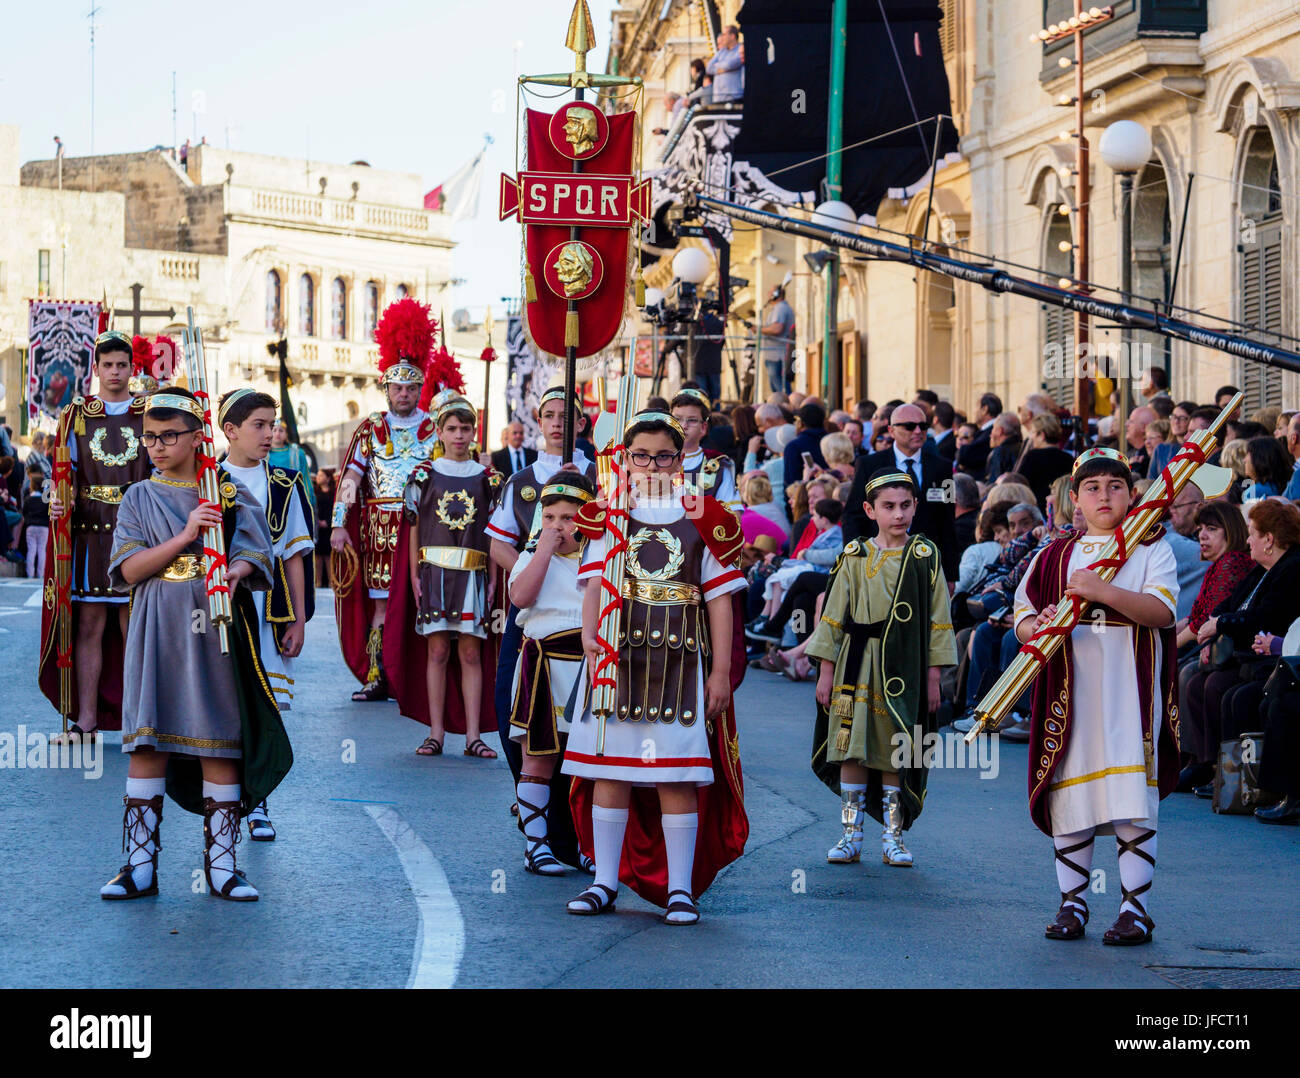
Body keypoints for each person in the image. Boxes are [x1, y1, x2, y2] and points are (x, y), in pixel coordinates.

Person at [100, 387, 288, 902]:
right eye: (150, 438)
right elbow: (129, 570)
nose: (157, 446)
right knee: (147, 741)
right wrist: (185, 537)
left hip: (214, 632)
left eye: (168, 436)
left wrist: (235, 568)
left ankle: (223, 868)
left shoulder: (226, 493)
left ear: (197, 436)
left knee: (219, 741)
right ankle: (139, 868)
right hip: (157, 628)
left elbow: (259, 555)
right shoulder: (139, 496)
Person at [563, 411, 748, 925]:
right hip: (616, 657)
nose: (652, 465)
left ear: (680, 458)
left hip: (681, 661)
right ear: (625, 459)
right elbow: (597, 582)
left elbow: (719, 601)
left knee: (675, 776)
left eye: (663, 455)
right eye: (640, 455)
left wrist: (719, 675)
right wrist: (588, 635)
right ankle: (603, 881)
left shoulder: (704, 517)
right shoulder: (609, 513)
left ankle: (681, 889)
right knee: (609, 771)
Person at [1013, 447, 1179, 945]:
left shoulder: (1152, 548)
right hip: (1072, 689)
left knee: (1131, 798)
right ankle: (1072, 903)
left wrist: (1100, 591)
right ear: (1074, 498)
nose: (1104, 496)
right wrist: (1033, 626)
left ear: (1132, 494)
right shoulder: (1054, 554)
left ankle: (1135, 910)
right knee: (1072, 792)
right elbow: (1022, 616)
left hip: (1128, 690)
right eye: (1092, 488)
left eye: (1115, 486)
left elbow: (1162, 614)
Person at [806, 469, 957, 868]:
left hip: (902, 671)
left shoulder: (925, 557)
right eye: (889, 506)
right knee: (851, 748)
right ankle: (850, 833)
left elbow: (939, 620)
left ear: (916, 507)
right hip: (854, 668)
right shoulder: (855, 556)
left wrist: (933, 675)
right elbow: (834, 616)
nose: (898, 514)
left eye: (906, 505)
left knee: (896, 749)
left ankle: (893, 836)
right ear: (870, 510)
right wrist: (825, 671)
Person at [39, 331, 152, 742]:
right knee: (87, 627)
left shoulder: (148, 414)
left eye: (122, 365)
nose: (116, 372)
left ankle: (137, 721)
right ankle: (85, 721)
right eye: (108, 365)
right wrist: (57, 500)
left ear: (131, 368)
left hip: (134, 534)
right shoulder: (75, 415)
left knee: (133, 628)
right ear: (97, 369)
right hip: (88, 535)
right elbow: (63, 473)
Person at [331, 299, 444, 702]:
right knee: (380, 603)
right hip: (379, 529)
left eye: (412, 386)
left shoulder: (435, 430)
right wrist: (339, 524)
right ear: (386, 388)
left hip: (422, 527)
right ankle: (378, 674)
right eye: (397, 387)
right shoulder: (370, 429)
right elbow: (352, 478)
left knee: (421, 602)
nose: (404, 393)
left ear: (420, 389)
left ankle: (411, 675)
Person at [487, 386, 597, 786]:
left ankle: (580, 808)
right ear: (538, 421)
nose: (557, 423)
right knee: (515, 692)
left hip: (588, 598)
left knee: (588, 708)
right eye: (550, 415)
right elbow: (498, 541)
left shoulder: (600, 476)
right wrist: (532, 569)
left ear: (581, 424)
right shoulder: (521, 480)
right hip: (533, 603)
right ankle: (529, 789)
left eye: (566, 417)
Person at [218, 389, 315, 840]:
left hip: (267, 607)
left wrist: (297, 619)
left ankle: (257, 803)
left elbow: (294, 556)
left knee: (263, 705)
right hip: (221, 606)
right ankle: (222, 798)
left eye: (272, 423)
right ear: (230, 431)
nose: (270, 433)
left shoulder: (285, 484)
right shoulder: (208, 481)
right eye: (259, 424)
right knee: (226, 703)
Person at [384, 395, 499, 759]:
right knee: (436, 651)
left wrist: (494, 578)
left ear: (474, 432)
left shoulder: (489, 479)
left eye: (465, 429)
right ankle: (435, 733)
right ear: (440, 431)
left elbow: (495, 533)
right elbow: (414, 528)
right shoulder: (423, 475)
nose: (459, 435)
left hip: (473, 574)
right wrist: (415, 574)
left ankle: (473, 735)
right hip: (434, 573)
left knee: (469, 654)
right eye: (452, 428)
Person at [507, 474, 597, 874]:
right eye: (549, 517)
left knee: (586, 762)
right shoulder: (532, 555)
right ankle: (536, 846)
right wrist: (542, 551)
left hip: (587, 665)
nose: (558, 526)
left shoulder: (599, 557)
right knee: (538, 759)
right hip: (542, 662)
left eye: (568, 517)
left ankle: (586, 846)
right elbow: (520, 598)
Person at [1180, 499, 1300, 793]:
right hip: (1249, 658)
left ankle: (1241, 781)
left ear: (1269, 540)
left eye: (1252, 533)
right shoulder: (1262, 570)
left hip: (1270, 662)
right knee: (1199, 682)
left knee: (1227, 692)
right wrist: (1215, 625)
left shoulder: (1291, 569)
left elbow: (1266, 616)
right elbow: (1229, 605)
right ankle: (1214, 769)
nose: (1247, 541)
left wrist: (1219, 626)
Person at [843, 402, 958, 581]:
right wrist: (855, 560)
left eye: (923, 426)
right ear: (891, 430)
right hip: (877, 563)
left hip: (925, 563)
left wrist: (951, 574)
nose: (918, 431)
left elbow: (948, 519)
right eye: (910, 426)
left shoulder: (942, 467)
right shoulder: (869, 465)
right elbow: (853, 514)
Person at [672, 388, 740, 515]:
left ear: (703, 428)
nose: (683, 425)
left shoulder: (719, 465)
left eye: (691, 420)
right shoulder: (651, 461)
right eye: (677, 419)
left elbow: (732, 517)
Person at [1016, 413, 1074, 511]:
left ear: (1041, 435)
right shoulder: (1069, 458)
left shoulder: (1032, 457)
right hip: (1064, 510)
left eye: (1032, 432)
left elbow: (1021, 485)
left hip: (1039, 510)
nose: (1030, 437)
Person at [268, 420, 315, 513]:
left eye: (281, 431)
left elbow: (305, 477)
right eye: (274, 430)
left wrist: (308, 501)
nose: (277, 433)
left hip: (293, 501)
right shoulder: (263, 454)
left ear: (286, 434)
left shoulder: (297, 453)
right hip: (270, 501)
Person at [758, 286, 795, 395]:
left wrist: (759, 329)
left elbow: (777, 328)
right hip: (775, 355)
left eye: (770, 292)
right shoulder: (779, 308)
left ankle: (785, 408)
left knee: (780, 389)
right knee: (777, 388)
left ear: (775, 294)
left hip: (777, 355)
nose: (768, 295)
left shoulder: (781, 308)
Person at [957, 393, 1003, 477]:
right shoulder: (984, 431)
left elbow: (965, 455)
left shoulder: (991, 432)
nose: (974, 411)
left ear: (984, 409)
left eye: (976, 407)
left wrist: (961, 453)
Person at [688, 309, 725, 405]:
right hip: (714, 363)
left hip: (699, 363)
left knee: (702, 394)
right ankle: (716, 413)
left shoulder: (694, 322)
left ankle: (704, 411)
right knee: (715, 393)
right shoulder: (718, 322)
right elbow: (721, 341)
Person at [1241, 434, 1293, 501]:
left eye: (1248, 454)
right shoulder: (1290, 485)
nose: (1244, 460)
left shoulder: (1254, 492)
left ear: (1260, 459)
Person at [22, 464, 50, 580]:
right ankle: (40, 574)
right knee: (42, 550)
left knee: (31, 550)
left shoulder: (28, 499)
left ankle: (29, 573)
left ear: (32, 486)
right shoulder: (45, 500)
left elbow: (24, 512)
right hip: (43, 526)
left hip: (31, 526)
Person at [705, 24, 744, 103]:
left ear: (732, 36)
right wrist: (722, 69)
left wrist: (717, 66)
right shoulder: (721, 52)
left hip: (733, 97)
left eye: (724, 34)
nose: (722, 37)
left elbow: (730, 64)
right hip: (718, 98)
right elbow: (709, 68)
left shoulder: (741, 49)